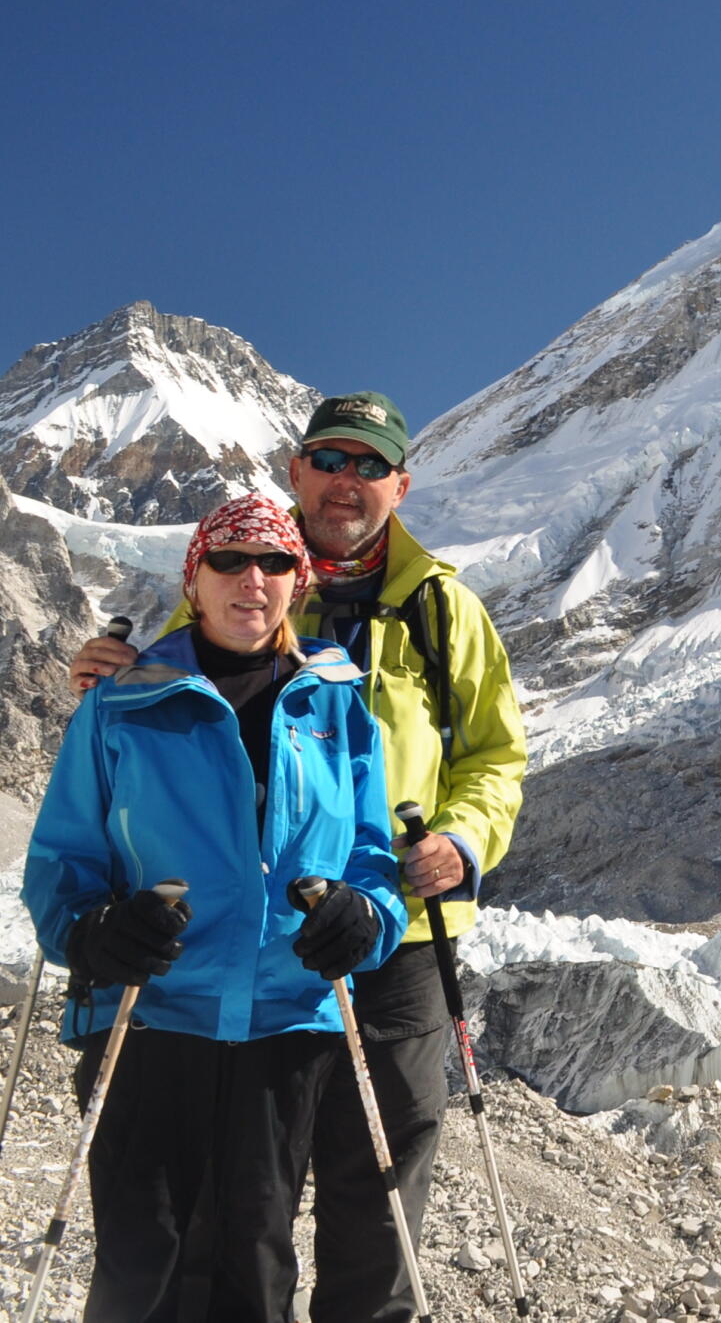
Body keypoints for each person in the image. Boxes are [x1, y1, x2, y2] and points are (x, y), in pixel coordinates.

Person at [74, 392, 528, 1323]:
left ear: (401, 483)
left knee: (380, 1178)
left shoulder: (445, 612)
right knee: (232, 1194)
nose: (346, 481)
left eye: (370, 465)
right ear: (297, 471)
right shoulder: (253, 573)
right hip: (255, 945)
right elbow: (175, 700)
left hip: (390, 930)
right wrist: (113, 680)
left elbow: (496, 754)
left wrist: (464, 840)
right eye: (330, 459)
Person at [26, 493, 405, 1321]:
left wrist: (366, 919)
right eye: (228, 560)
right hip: (150, 1010)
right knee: (142, 1260)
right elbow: (64, 856)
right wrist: (91, 935)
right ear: (194, 578)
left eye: (274, 562)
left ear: (297, 583)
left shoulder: (336, 705)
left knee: (257, 1260)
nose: (252, 579)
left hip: (286, 1018)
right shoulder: (121, 702)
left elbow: (372, 855)